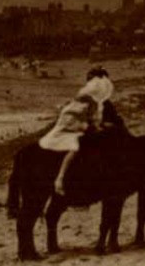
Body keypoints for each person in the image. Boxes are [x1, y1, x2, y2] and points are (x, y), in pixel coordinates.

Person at [40, 67, 119, 197]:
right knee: (76, 147)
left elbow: (109, 120)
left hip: (95, 130)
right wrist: (95, 127)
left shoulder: (101, 102)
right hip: (80, 129)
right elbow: (77, 118)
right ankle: (60, 178)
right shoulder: (85, 100)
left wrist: (104, 126)